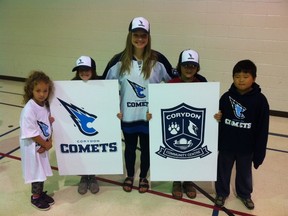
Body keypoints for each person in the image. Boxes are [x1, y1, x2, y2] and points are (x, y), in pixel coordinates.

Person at [102, 17, 175, 193]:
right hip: (128, 116)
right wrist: (113, 109)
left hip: (149, 117)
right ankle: (129, 175)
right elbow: (104, 87)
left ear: (148, 37)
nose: (140, 39)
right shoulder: (118, 61)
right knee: (129, 149)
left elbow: (175, 84)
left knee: (147, 149)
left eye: (144, 35)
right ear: (130, 36)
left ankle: (143, 176)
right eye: (136, 35)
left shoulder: (159, 60)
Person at [214, 59, 269, 210]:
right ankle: (221, 192)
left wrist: (259, 153)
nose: (241, 80)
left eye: (245, 76)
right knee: (223, 170)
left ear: (254, 78)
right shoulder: (226, 97)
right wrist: (217, 117)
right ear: (232, 78)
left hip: (247, 147)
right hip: (227, 145)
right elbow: (217, 116)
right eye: (237, 76)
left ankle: (244, 194)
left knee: (244, 172)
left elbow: (263, 129)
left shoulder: (260, 101)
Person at [168, 49, 207, 200]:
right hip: (175, 121)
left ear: (197, 67)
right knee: (177, 151)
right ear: (179, 66)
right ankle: (177, 181)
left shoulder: (202, 84)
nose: (189, 68)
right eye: (185, 65)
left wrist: (215, 114)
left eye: (192, 65)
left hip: (194, 122)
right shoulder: (171, 84)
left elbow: (207, 106)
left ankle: (188, 181)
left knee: (192, 152)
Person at [19, 70, 55, 211]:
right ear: (31, 90)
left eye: (45, 91)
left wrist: (49, 140)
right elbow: (31, 132)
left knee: (41, 172)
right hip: (33, 147)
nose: (42, 94)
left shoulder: (45, 105)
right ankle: (35, 197)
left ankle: (40, 194)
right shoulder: (29, 109)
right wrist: (45, 144)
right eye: (38, 90)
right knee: (36, 172)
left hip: (41, 146)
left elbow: (48, 125)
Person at [71, 55, 101, 194]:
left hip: (96, 122)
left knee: (94, 149)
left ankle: (93, 176)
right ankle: (84, 177)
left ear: (93, 70)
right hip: (79, 123)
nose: (83, 73)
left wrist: (116, 113)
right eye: (80, 70)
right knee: (82, 149)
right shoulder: (71, 85)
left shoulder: (102, 84)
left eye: (86, 69)